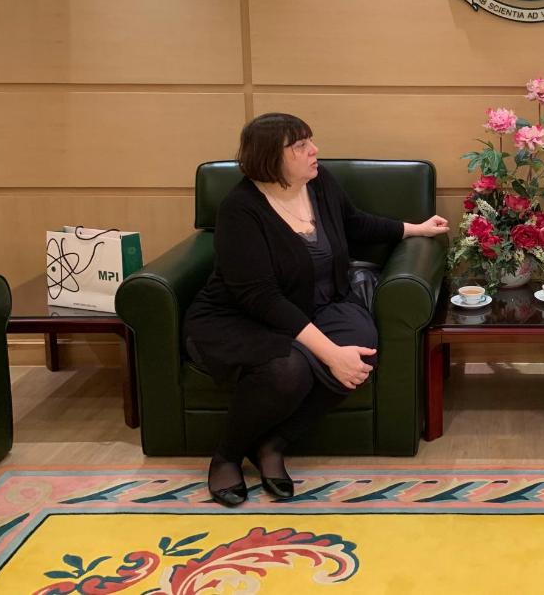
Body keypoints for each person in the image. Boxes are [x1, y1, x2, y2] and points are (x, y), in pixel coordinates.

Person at [184, 113, 449, 506]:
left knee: (363, 349)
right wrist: (330, 354)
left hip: (319, 304)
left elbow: (356, 223)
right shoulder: (239, 210)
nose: (314, 150)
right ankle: (227, 454)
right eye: (300, 145)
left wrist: (415, 228)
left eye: (310, 141)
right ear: (271, 157)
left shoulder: (319, 182)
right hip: (242, 316)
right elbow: (262, 298)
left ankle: (273, 443)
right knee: (287, 368)